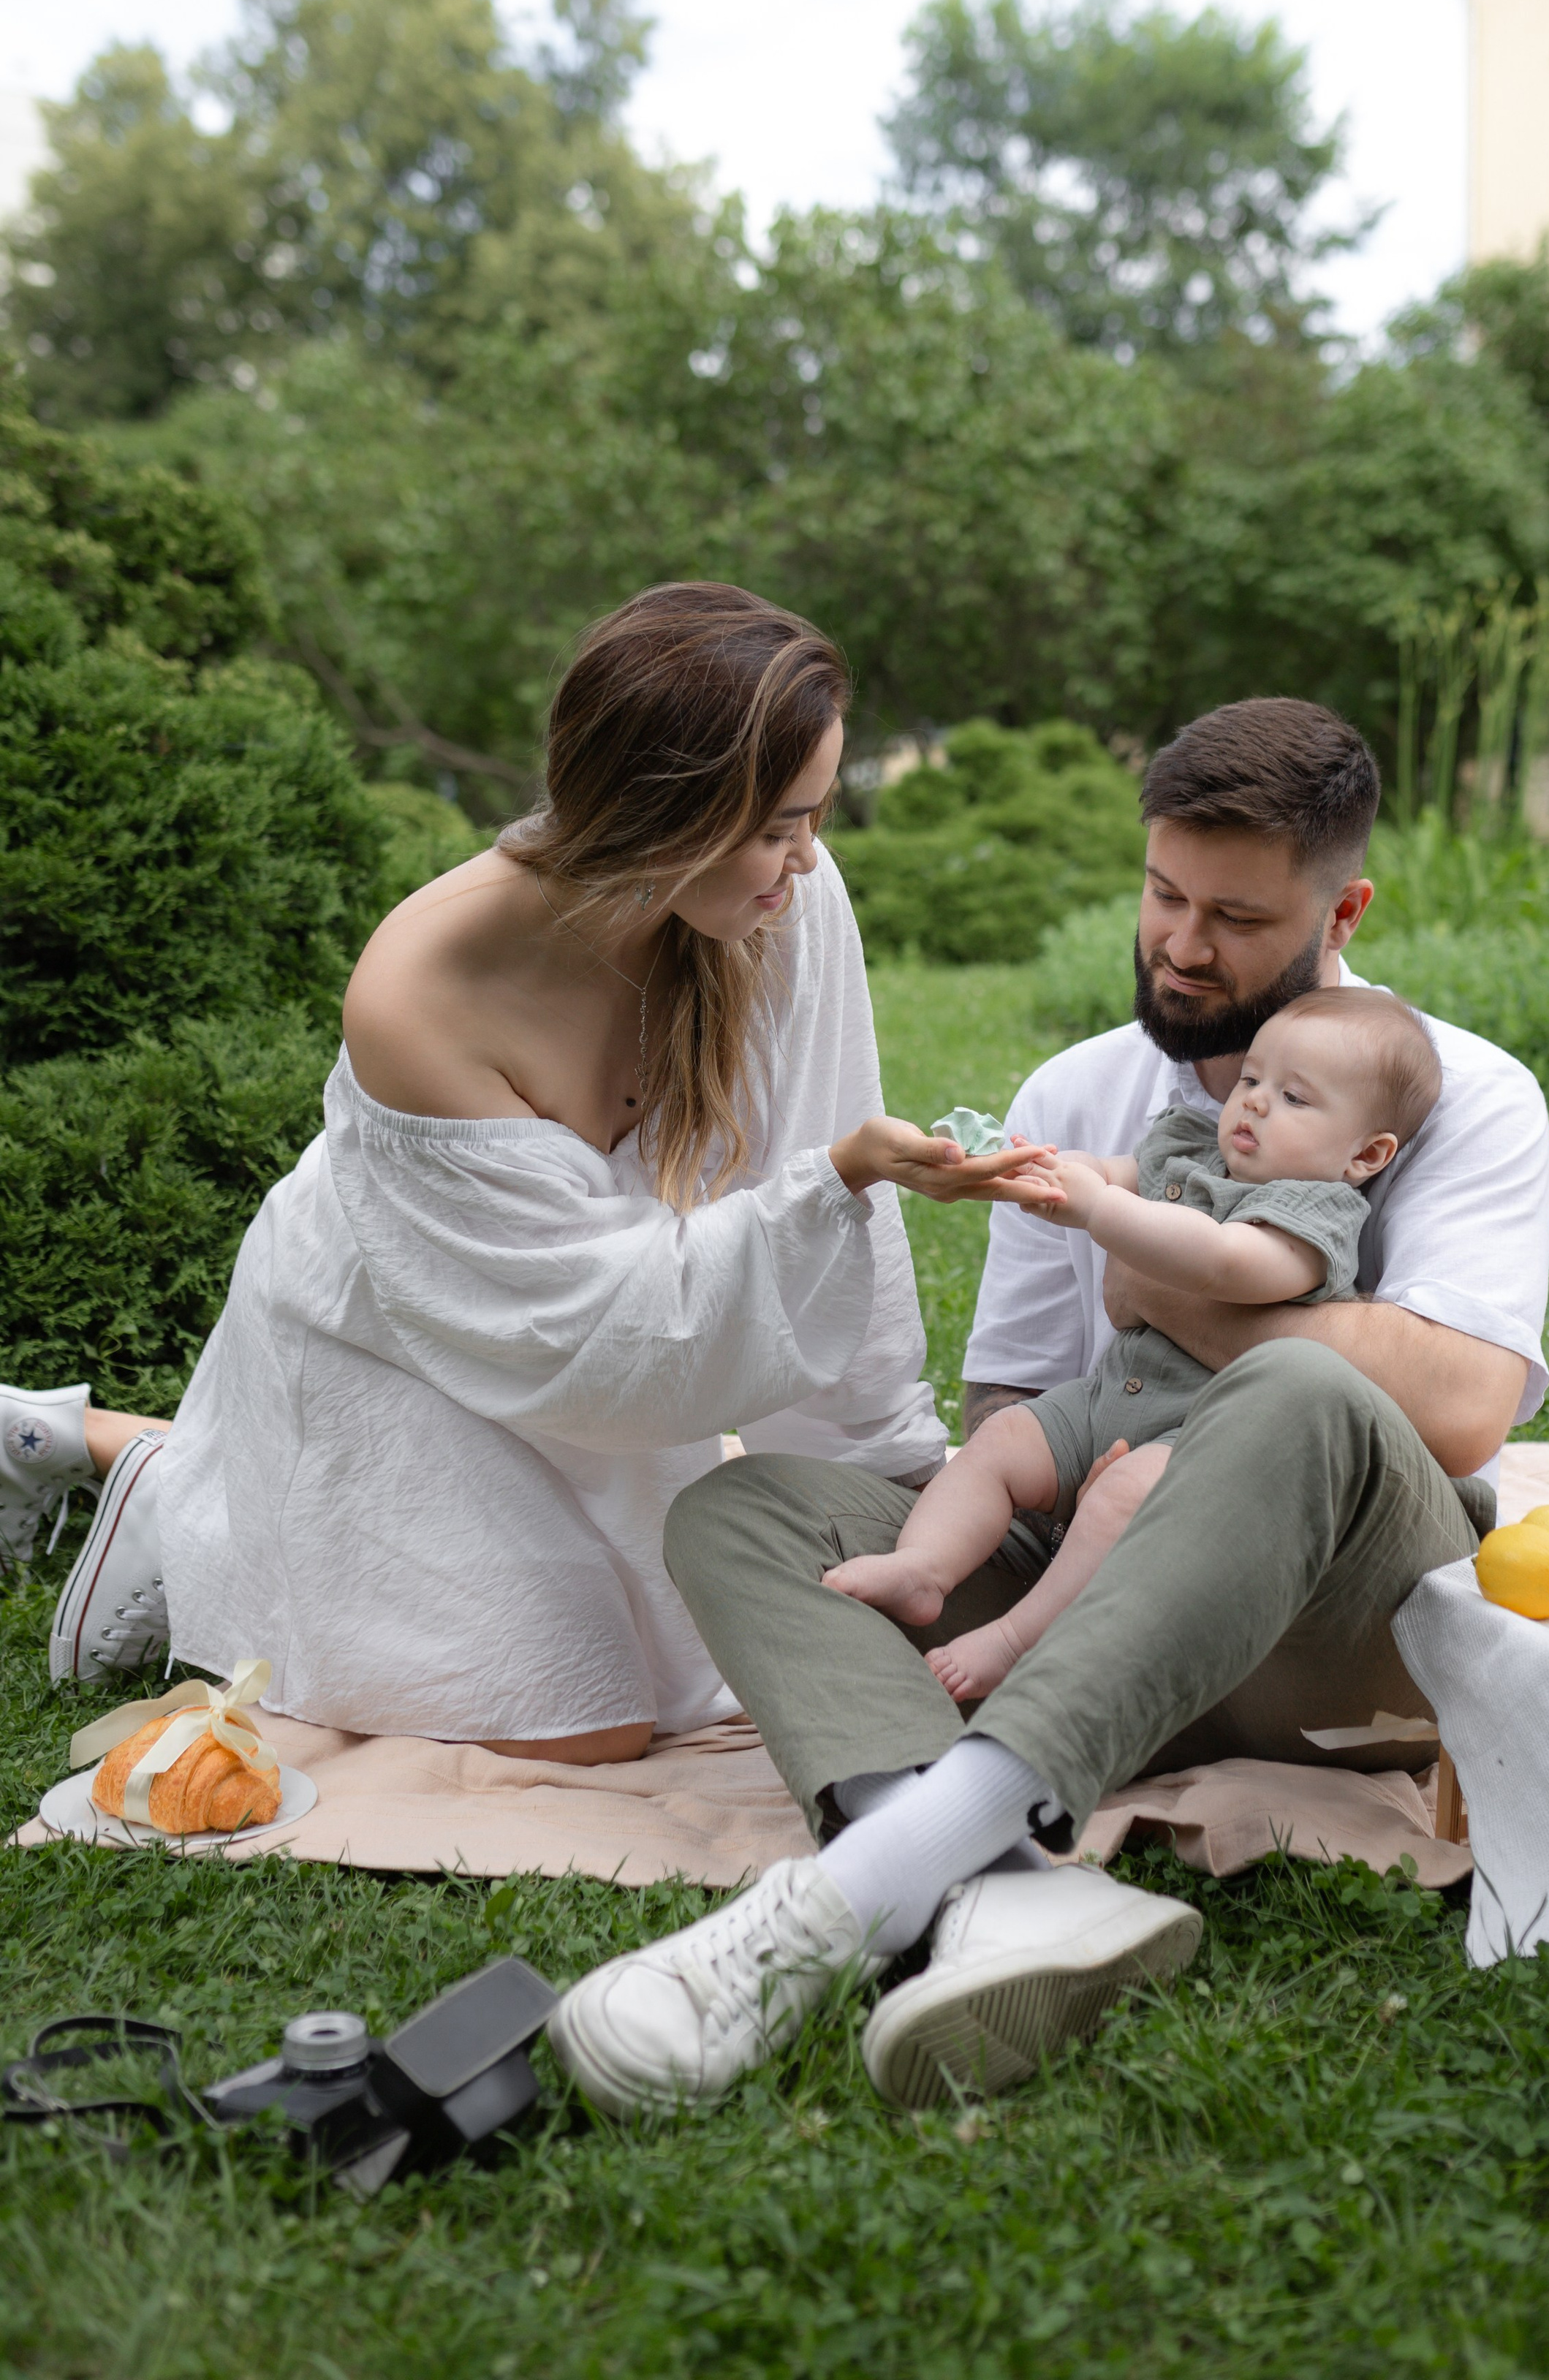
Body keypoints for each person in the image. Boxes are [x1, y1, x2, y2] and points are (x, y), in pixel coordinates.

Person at [547, 695, 1549, 2118]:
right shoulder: (1080, 1089)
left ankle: (848, 1897)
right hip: (1100, 1599)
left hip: (1338, 1637)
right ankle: (1004, 1887)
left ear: (1344, 908)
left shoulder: (1464, 1093)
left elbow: (1454, 1410)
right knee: (747, 1508)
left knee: (1301, 1386)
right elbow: (1018, 1407)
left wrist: (1165, 1288)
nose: (1182, 944)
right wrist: (1048, 1508)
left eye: (1235, 917)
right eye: (1161, 894)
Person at [4, 584, 1057, 1754]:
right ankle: (165, 1478)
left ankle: (182, 1467)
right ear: (664, 811)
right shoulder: (422, 990)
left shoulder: (780, 905)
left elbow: (829, 1245)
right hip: (414, 1333)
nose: (808, 859)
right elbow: (587, 1329)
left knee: (686, 1673)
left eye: (815, 817)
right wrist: (836, 1181)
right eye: (778, 825)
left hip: (614, 1338)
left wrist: (883, 1491)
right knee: (578, 1723)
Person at [825, 987, 1442, 1705]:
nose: (1255, 1103)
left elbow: (1223, 1262)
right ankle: (923, 1568)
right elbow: (1113, 1170)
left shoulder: (1317, 1217)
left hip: (1199, 1437)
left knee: (1120, 1500)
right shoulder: (1190, 1147)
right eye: (1251, 1080)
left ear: (1365, 1153)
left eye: (1295, 1099)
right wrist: (1048, 1169)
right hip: (1107, 1397)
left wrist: (1101, 1211)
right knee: (1000, 1444)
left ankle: (1015, 1640)